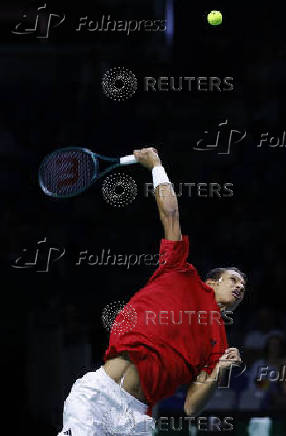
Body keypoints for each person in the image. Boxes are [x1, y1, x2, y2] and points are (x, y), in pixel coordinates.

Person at [58, 148, 246, 436]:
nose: (239, 286)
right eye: (233, 279)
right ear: (212, 282)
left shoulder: (217, 344)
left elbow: (191, 407)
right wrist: (156, 165)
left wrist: (220, 369)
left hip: (135, 418)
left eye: (243, 286)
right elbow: (170, 214)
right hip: (97, 396)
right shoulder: (179, 271)